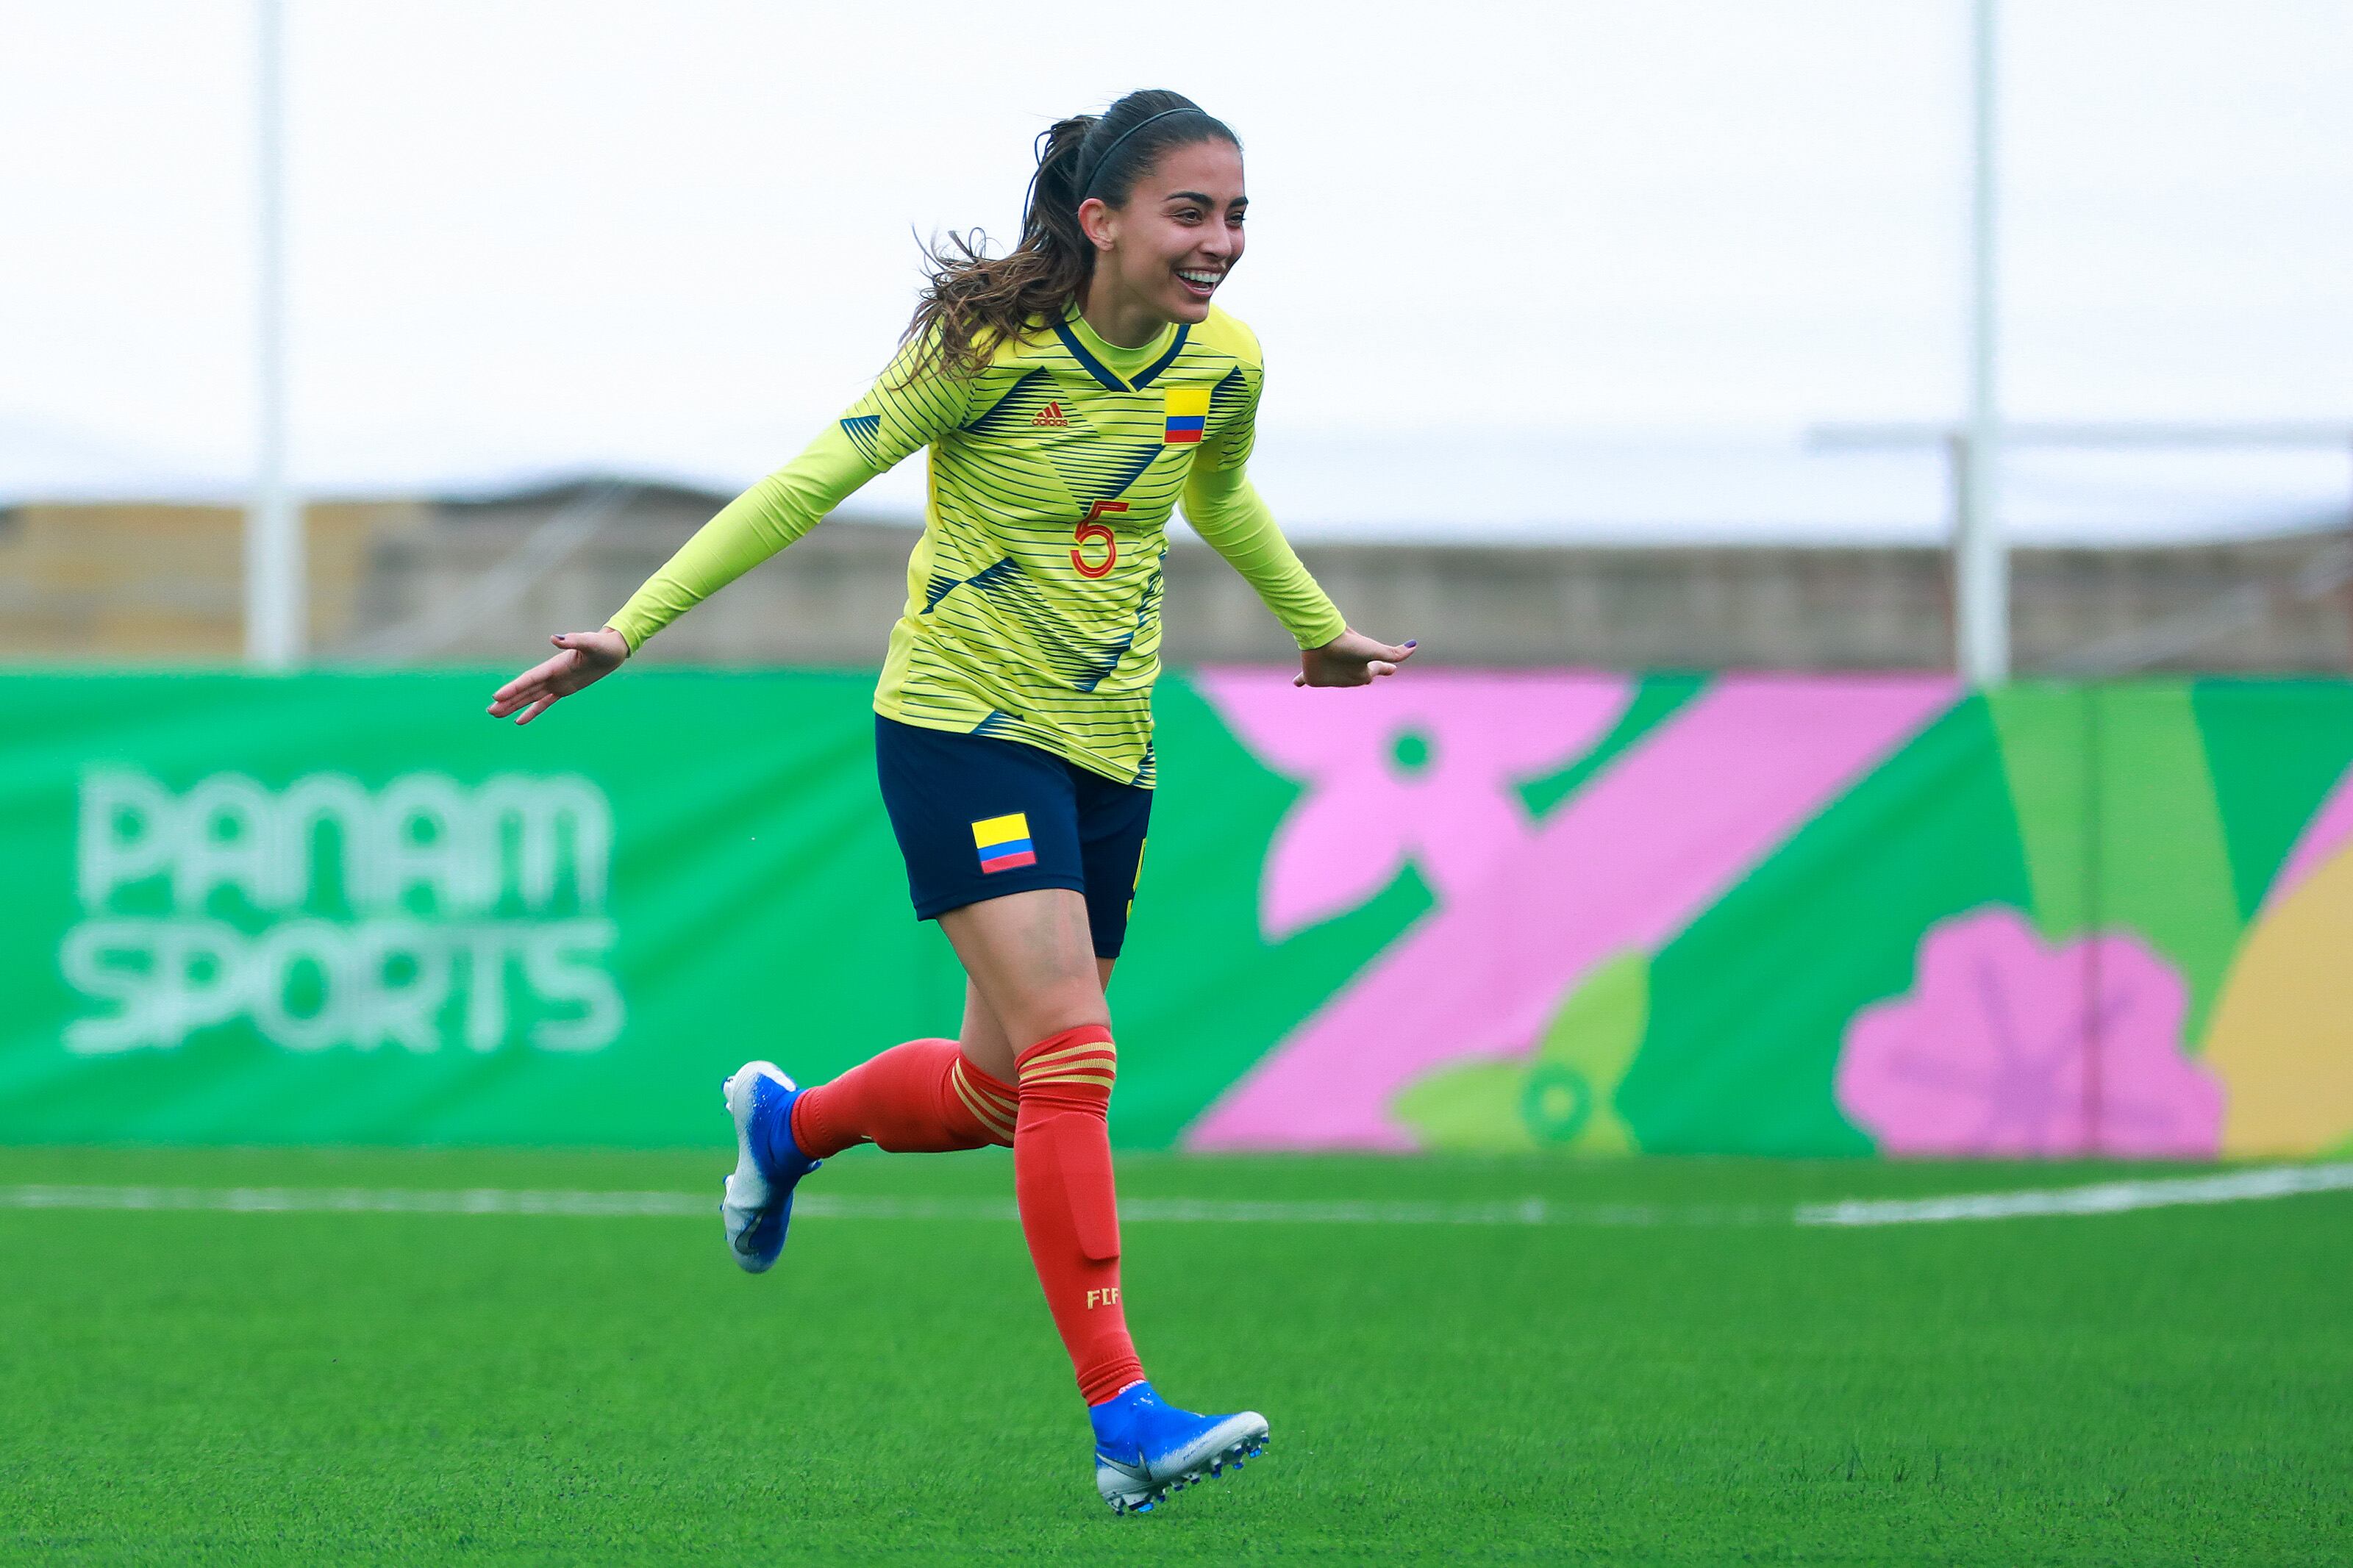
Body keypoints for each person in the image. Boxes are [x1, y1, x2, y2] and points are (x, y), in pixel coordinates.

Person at [487, 87, 1415, 1514]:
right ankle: (1125, 1409)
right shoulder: (986, 349)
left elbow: (1215, 496)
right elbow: (816, 478)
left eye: (1236, 215)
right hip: (961, 725)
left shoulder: (1221, 361)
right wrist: (631, 623)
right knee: (1075, 1051)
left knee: (1001, 1087)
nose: (1220, 240)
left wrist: (1314, 623)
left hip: (1109, 737)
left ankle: (785, 1129)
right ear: (1099, 217)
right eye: (1191, 211)